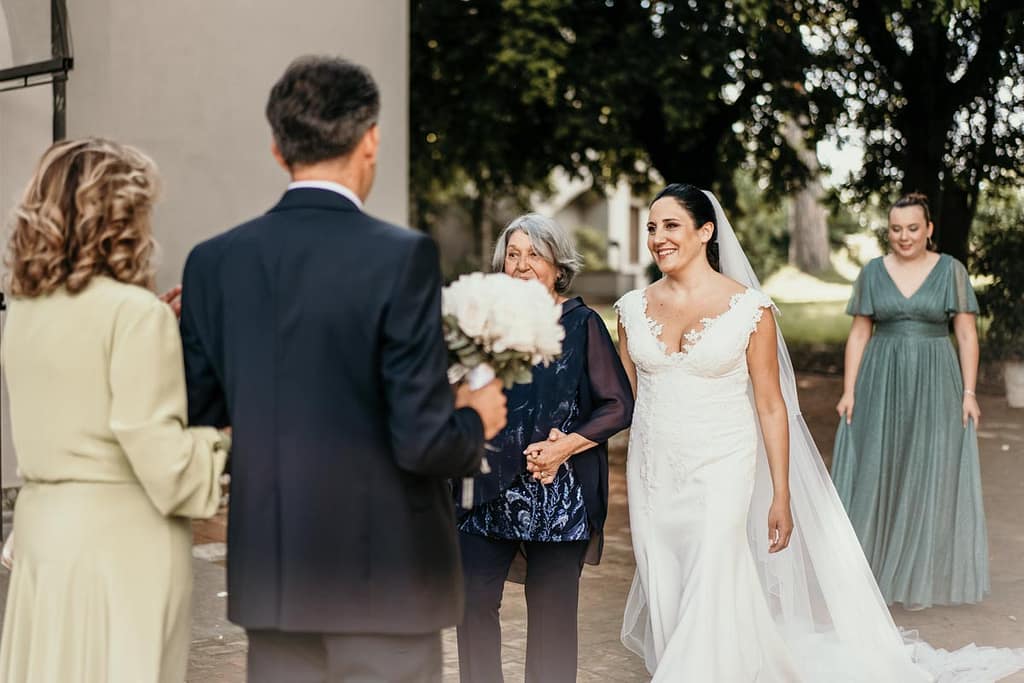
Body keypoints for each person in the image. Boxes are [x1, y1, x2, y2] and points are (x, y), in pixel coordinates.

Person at [178, 56, 507, 683]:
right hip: (386, 578)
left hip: (275, 577)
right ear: (370, 138)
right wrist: (474, 419)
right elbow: (423, 441)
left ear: (278, 149)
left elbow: (203, 411)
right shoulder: (400, 257)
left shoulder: (213, 262)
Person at [615, 183, 1024, 682]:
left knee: (712, 568)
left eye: (671, 225)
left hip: (721, 463)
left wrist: (780, 493)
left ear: (705, 232)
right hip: (653, 468)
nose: (658, 237)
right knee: (664, 572)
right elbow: (623, 403)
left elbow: (771, 405)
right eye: (651, 227)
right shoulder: (631, 309)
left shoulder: (750, 309)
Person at [0, 138, 231, 683]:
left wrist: (146, 318)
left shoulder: (26, 310)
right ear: (123, 216)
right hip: (119, 550)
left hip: (43, 538)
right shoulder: (135, 317)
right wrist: (223, 437)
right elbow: (168, 470)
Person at [453, 214, 634, 683]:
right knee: (471, 604)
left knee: (552, 623)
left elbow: (618, 405)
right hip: (484, 494)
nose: (521, 264)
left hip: (558, 496)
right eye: (513, 254)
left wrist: (564, 447)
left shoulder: (582, 325)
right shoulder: (482, 325)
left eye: (534, 254)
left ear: (558, 266)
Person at [831, 192, 987, 608]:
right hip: (881, 378)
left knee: (929, 467)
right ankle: (873, 572)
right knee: (882, 464)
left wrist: (969, 393)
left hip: (937, 378)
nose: (904, 236)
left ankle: (919, 576)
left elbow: (966, 335)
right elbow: (859, 333)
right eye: (896, 229)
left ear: (929, 229)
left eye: (913, 228)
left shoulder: (951, 270)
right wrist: (849, 390)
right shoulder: (873, 271)